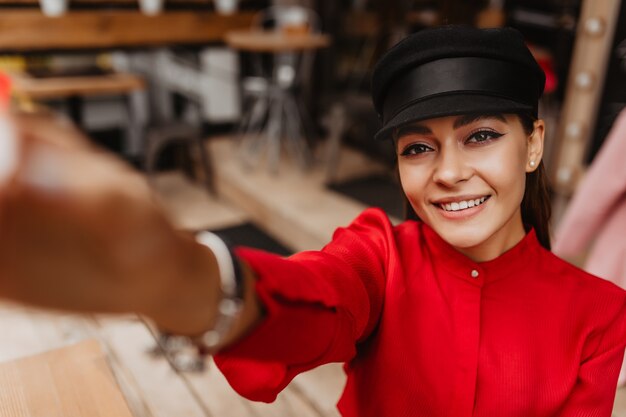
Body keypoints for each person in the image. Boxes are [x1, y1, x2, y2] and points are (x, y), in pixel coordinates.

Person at [0, 26, 624, 416]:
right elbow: (314, 294)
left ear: (534, 145)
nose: (448, 172)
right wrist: (173, 279)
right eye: (418, 147)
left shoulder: (598, 314)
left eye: (480, 136)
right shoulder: (380, 255)